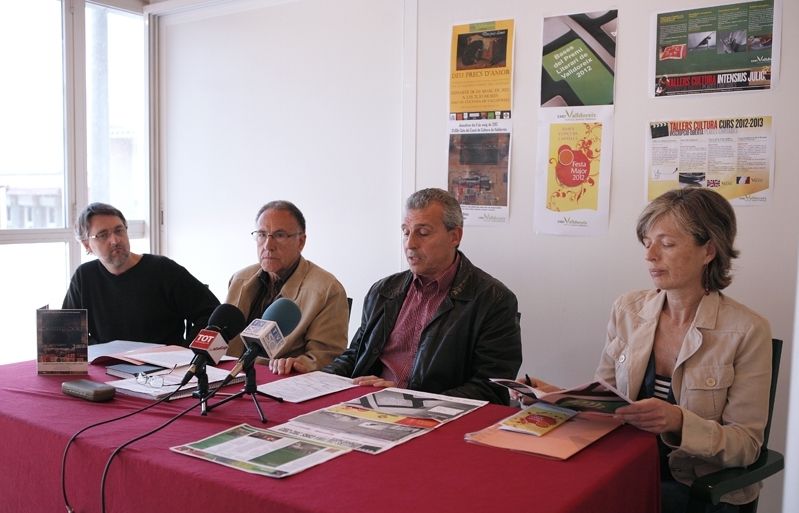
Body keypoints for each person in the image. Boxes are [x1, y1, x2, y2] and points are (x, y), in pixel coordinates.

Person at [520, 188, 771, 513]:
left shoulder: (748, 330)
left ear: (708, 250)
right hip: (624, 469)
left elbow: (746, 446)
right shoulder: (628, 309)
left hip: (694, 488)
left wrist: (679, 421)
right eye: (647, 243)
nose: (650, 255)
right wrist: (558, 398)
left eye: (666, 244)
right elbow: (606, 400)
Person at [322, 188, 522, 405]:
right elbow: (355, 355)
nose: (410, 244)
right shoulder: (384, 290)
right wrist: (317, 380)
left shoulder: (494, 300)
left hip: (436, 418)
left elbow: (490, 388)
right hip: (367, 406)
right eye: (406, 232)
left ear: (455, 236)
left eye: (423, 233)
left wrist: (409, 399)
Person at [63, 202, 220, 345]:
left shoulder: (163, 270)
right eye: (103, 235)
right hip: (108, 368)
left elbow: (213, 314)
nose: (115, 240)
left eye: (119, 230)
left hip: (165, 369)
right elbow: (68, 333)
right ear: (86, 244)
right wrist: (95, 353)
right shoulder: (84, 277)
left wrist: (189, 350)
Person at [225, 200, 349, 375]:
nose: (268, 245)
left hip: (279, 381)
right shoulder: (240, 279)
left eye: (280, 235)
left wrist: (297, 363)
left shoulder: (327, 289)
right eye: (261, 234)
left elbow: (328, 357)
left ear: (301, 242)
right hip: (228, 376)